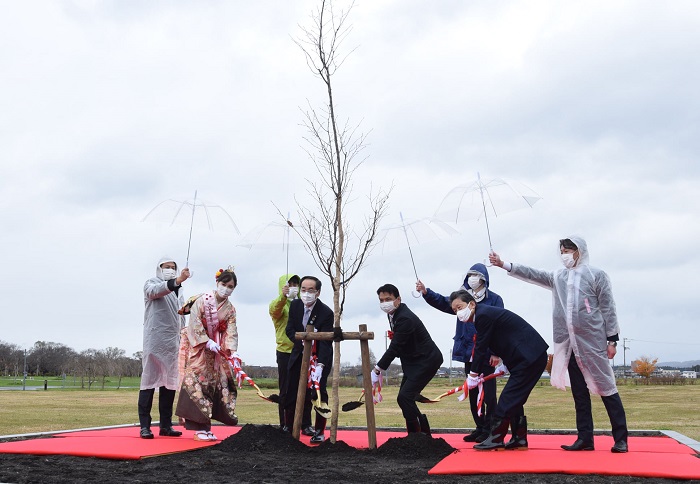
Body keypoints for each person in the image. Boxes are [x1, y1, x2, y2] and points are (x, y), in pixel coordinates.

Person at [489, 236, 629, 453]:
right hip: (570, 345)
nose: (564, 254)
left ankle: (621, 439)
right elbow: (533, 274)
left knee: (607, 388)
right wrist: (504, 264)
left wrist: (612, 340)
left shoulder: (596, 275)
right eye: (562, 250)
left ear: (579, 251)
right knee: (579, 394)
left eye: (568, 250)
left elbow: (608, 308)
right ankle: (585, 438)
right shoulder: (558, 277)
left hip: (592, 343)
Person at [449, 290, 548, 451]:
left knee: (507, 398)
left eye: (460, 307)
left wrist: (473, 375)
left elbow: (481, 346)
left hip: (530, 357)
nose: (458, 313)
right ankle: (519, 439)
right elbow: (503, 339)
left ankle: (496, 438)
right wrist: (505, 363)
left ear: (472, 304)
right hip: (524, 357)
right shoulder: (483, 315)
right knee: (515, 399)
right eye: (455, 311)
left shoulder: (483, 315)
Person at [416, 262, 504, 443]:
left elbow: (499, 326)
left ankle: (491, 429)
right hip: (468, 352)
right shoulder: (462, 299)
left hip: (487, 354)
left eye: (476, 275)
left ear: (484, 278)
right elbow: (442, 302)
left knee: (489, 394)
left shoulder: (494, 299)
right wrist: (426, 292)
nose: (473, 279)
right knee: (472, 392)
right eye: (469, 275)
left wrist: (496, 352)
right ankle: (480, 427)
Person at [175, 267, 239, 441]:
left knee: (213, 385)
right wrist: (206, 340)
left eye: (230, 286)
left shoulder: (230, 309)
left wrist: (231, 352)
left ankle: (206, 426)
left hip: (216, 351)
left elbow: (231, 331)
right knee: (197, 384)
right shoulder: (203, 300)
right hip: (199, 349)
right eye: (224, 284)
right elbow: (194, 322)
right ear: (217, 283)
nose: (226, 288)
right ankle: (199, 428)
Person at [373, 284, 444, 436]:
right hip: (413, 361)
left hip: (426, 361)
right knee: (405, 398)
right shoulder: (393, 314)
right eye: (381, 300)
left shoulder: (404, 318)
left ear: (398, 299)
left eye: (388, 299)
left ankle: (418, 436)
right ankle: (419, 434)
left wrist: (378, 368)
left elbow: (395, 347)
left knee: (405, 397)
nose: (385, 303)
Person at [139, 257, 190, 439]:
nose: (170, 269)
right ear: (159, 268)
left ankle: (166, 425)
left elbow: (181, 314)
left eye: (173, 268)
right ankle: (144, 426)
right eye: (166, 267)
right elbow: (155, 292)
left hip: (173, 342)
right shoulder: (151, 283)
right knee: (149, 382)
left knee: (169, 384)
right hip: (155, 340)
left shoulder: (179, 290)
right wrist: (176, 281)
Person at [284, 275, 334, 444]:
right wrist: (302, 339)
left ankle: (319, 430)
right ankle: (289, 427)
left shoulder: (326, 312)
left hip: (319, 356)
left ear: (318, 293)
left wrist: (320, 364)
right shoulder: (296, 305)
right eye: (303, 290)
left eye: (310, 290)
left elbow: (326, 341)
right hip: (299, 353)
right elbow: (290, 329)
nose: (306, 293)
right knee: (291, 389)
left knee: (318, 391)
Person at [269, 274, 314, 435]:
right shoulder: (279, 305)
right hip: (285, 352)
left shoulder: (304, 305)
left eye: (297, 284)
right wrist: (283, 296)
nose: (294, 287)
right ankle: (286, 424)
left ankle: (306, 424)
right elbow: (274, 311)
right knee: (287, 390)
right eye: (291, 284)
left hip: (303, 351)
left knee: (306, 389)